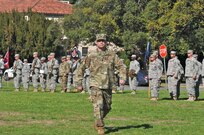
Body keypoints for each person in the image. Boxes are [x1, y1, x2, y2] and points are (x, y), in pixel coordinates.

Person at [75, 34, 126, 135]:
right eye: (99, 41)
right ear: (96, 42)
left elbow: (121, 66)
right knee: (98, 105)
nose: (101, 42)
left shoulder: (112, 54)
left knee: (107, 106)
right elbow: (81, 68)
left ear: (106, 42)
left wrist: (122, 77)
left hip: (108, 84)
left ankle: (98, 120)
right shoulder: (91, 55)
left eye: (103, 41)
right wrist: (79, 82)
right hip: (95, 84)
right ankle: (100, 126)